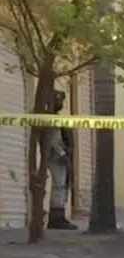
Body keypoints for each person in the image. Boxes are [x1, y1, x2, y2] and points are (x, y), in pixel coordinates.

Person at [48, 89, 77, 230]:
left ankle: (59, 217)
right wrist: (63, 155)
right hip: (56, 157)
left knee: (62, 186)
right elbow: (53, 140)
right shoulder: (48, 117)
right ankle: (56, 219)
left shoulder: (56, 117)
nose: (61, 103)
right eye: (59, 100)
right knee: (59, 186)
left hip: (61, 155)